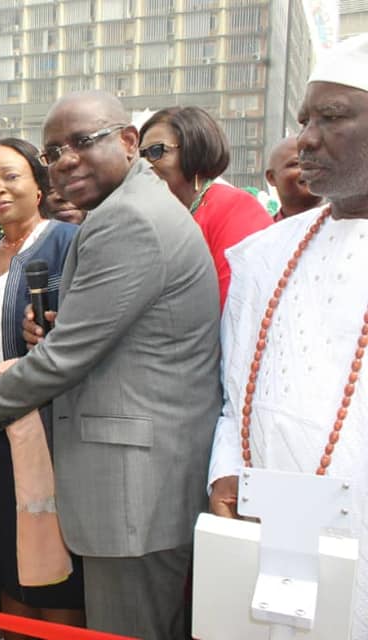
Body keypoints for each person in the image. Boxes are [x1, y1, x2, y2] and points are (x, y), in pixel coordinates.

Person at [0, 91, 221, 640]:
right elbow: (109, 337)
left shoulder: (127, 219)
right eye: (54, 150)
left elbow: (64, 361)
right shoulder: (128, 210)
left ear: (129, 141)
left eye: (83, 142)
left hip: (135, 489)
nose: (66, 160)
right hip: (134, 477)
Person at [208, 33, 368, 639]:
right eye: (305, 120)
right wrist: (226, 470)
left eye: (331, 118)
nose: (305, 139)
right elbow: (233, 392)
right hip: (264, 524)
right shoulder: (263, 256)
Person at [0, 139, 83, 635]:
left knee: (50, 567)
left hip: (45, 428)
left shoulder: (66, 241)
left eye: (10, 176)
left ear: (39, 182)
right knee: (8, 562)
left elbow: (74, 338)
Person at [139, 106, 272, 307]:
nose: (145, 164)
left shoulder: (235, 208)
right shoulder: (156, 217)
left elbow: (236, 303)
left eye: (156, 151)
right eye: (140, 156)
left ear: (195, 149)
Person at [265, 136, 323, 221]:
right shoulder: (265, 232)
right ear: (271, 177)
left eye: (315, 161)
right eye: (296, 164)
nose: (309, 168)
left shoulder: (345, 225)